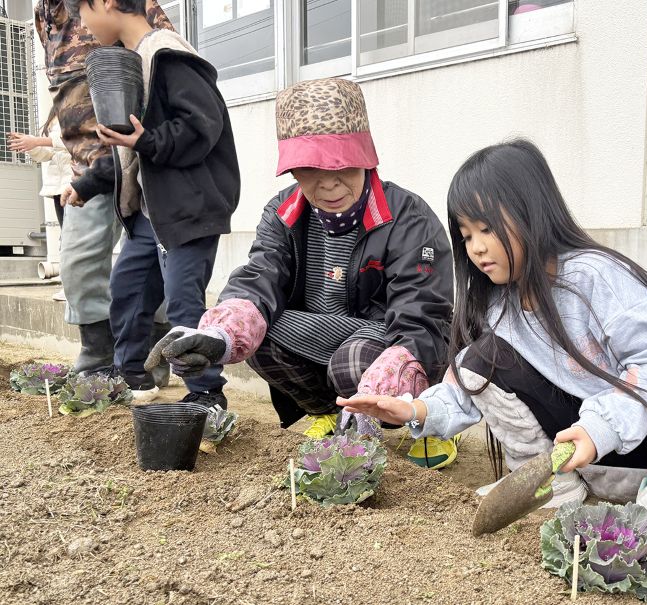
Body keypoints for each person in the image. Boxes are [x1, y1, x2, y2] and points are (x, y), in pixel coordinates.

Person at [339, 139, 647, 533]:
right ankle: (552, 488)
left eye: (487, 229)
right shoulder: (498, 306)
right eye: (467, 234)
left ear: (531, 212)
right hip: (575, 456)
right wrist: (412, 409)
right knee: (480, 360)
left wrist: (600, 428)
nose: (476, 247)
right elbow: (464, 391)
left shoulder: (593, 276)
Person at [145, 77, 459, 469]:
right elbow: (260, 277)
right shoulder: (283, 213)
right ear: (293, 170)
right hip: (325, 331)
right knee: (257, 332)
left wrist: (390, 380)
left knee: (352, 360)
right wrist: (218, 335)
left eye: (341, 164)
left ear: (365, 156)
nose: (327, 183)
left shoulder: (409, 219)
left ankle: (431, 419)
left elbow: (422, 316)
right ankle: (328, 412)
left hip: (385, 337)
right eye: (310, 168)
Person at [65, 0, 240, 406]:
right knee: (127, 288)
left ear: (107, 2)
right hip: (151, 210)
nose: (83, 24)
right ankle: (131, 378)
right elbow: (129, 152)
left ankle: (206, 395)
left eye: (84, 11)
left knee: (183, 303)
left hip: (188, 206)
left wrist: (147, 139)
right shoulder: (131, 63)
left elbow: (202, 125)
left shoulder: (168, 54)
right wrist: (87, 184)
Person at [34, 0, 172, 374]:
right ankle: (98, 357)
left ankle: (153, 354)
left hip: (138, 156)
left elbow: (163, 59)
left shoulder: (117, 5)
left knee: (150, 262)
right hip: (87, 163)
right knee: (77, 261)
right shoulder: (45, 13)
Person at [8, 113, 72, 301]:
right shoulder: (55, 114)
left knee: (74, 238)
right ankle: (69, 286)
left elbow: (76, 140)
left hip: (76, 183)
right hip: (58, 187)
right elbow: (48, 153)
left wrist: (37, 140)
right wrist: (31, 146)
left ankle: (75, 288)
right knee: (66, 238)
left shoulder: (79, 105)